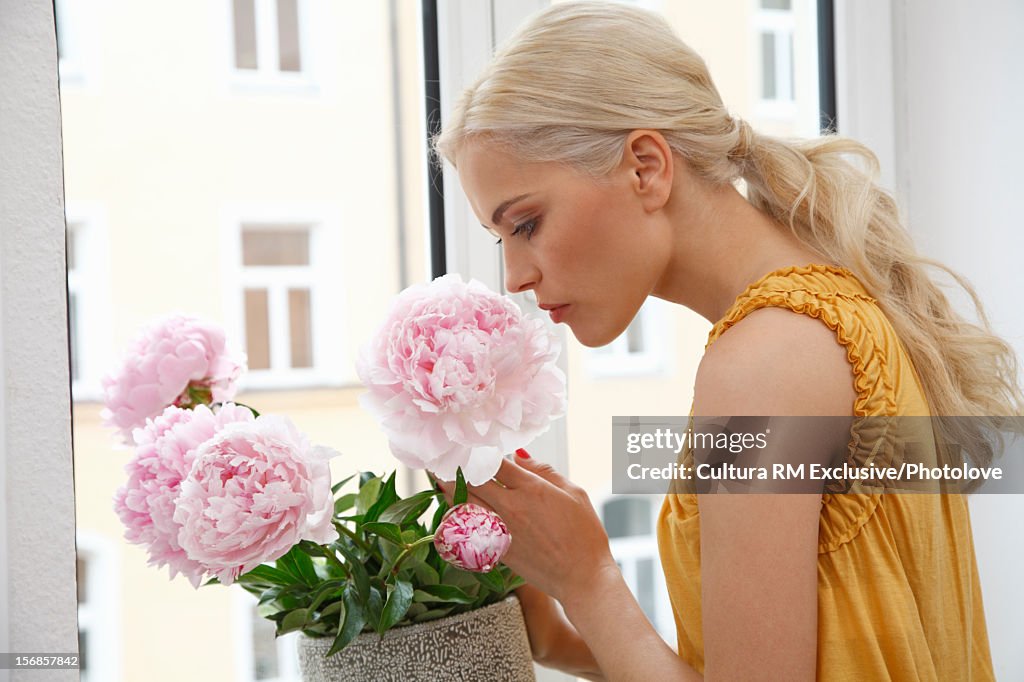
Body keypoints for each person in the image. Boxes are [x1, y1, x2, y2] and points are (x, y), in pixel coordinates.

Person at [430, 2, 1024, 679]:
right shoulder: (823, 308)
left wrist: (588, 579)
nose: (515, 276)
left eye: (528, 223)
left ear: (646, 167)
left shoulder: (766, 362)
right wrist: (563, 636)